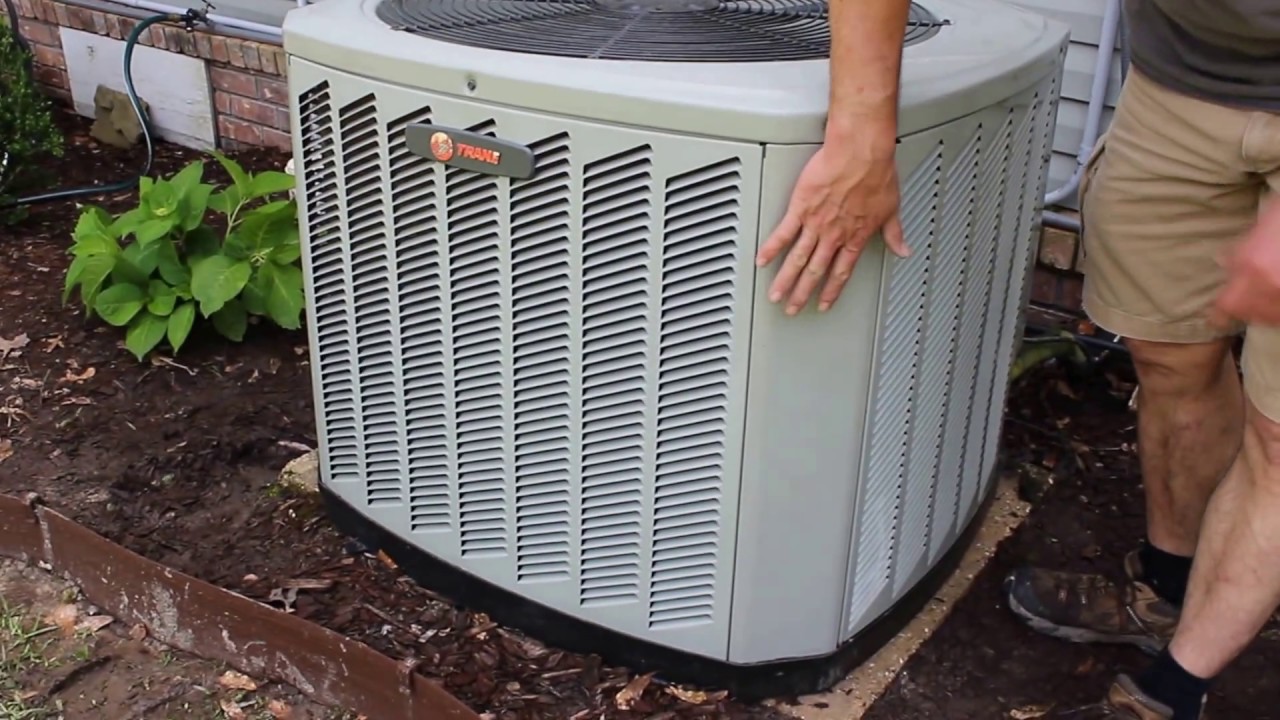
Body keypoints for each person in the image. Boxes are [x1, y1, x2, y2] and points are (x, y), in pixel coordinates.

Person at [755, 1, 1280, 718]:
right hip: (1183, 86)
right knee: (1170, 357)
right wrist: (861, 135)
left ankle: (1172, 693)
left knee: (1277, 436)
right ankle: (1170, 588)